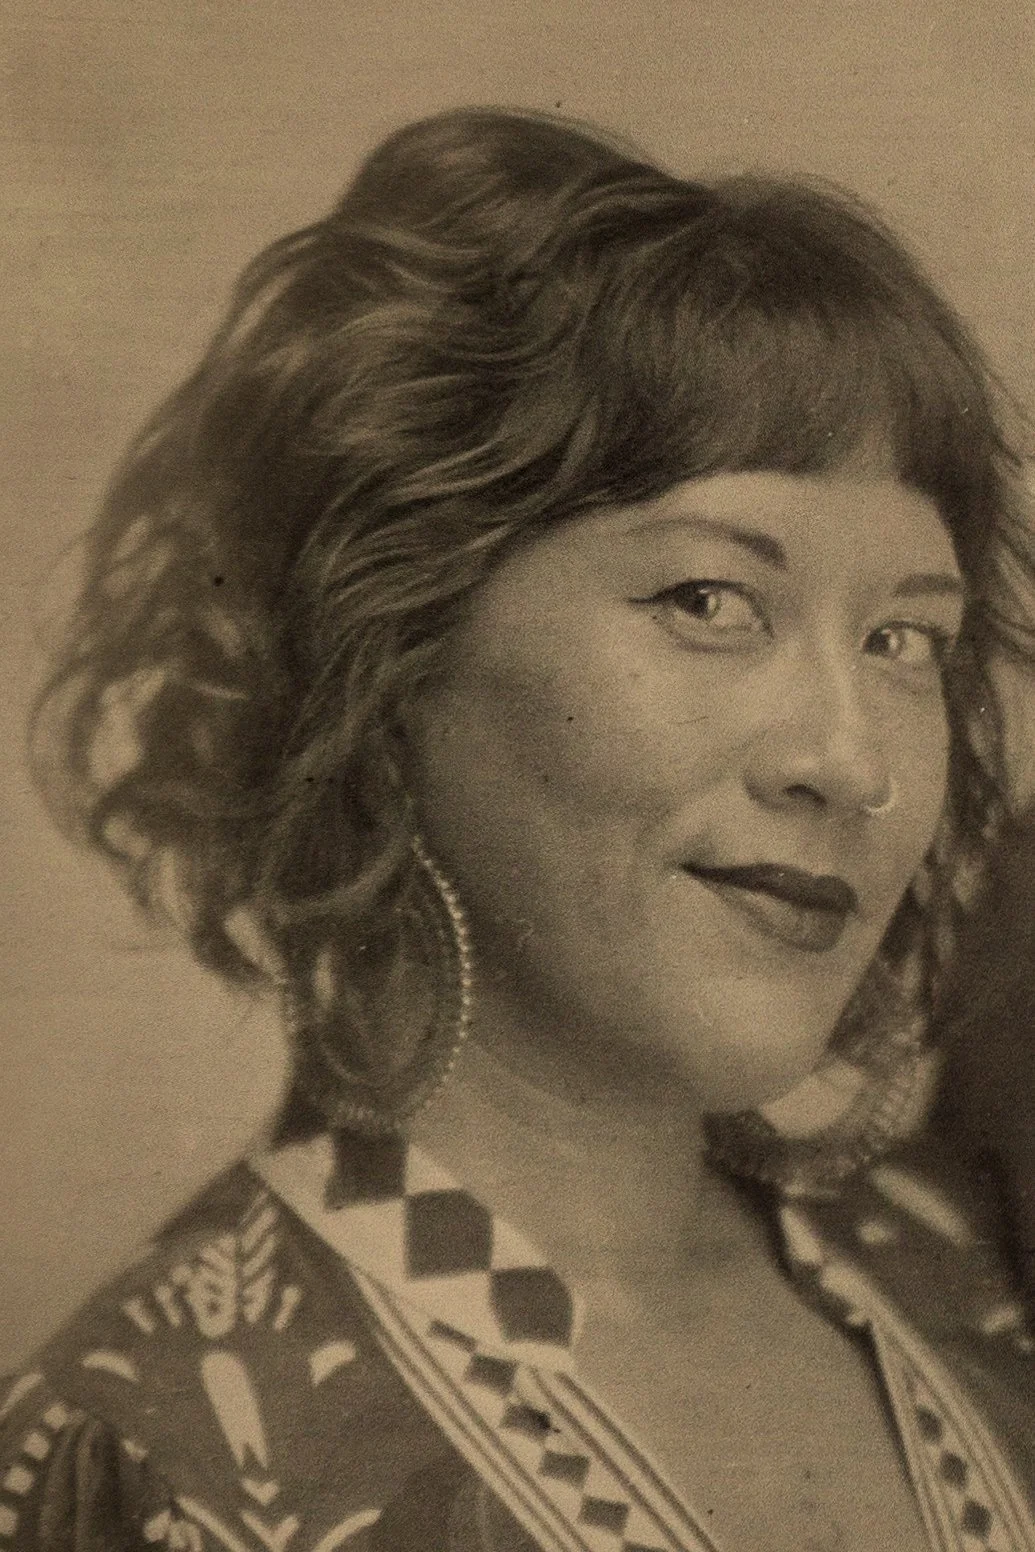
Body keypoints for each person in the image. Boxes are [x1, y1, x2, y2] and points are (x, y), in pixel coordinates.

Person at [2, 105, 1034, 1552]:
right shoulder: (160, 1449)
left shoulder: (962, 1283)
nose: (847, 760)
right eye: (707, 603)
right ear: (392, 655)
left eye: (905, 640)